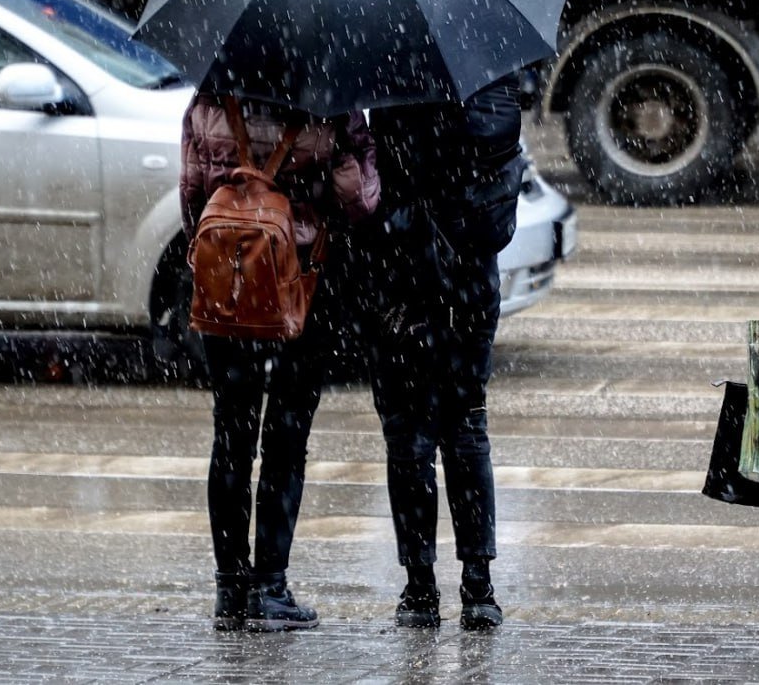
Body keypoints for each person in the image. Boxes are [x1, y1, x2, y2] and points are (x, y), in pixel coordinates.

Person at [179, 92, 379, 632]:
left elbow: (193, 196)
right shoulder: (330, 103)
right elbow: (359, 201)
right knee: (286, 441)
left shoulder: (210, 99)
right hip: (300, 290)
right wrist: (339, 156)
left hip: (229, 289)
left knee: (231, 436)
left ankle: (230, 589)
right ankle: (270, 586)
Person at [358, 74, 525, 630]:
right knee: (467, 425)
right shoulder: (495, 93)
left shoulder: (392, 91)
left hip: (403, 289)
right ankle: (478, 586)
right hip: (473, 289)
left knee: (408, 435)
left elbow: (372, 205)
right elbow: (501, 208)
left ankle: (419, 589)